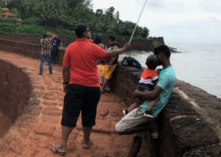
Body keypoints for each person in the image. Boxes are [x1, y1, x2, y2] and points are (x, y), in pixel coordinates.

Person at [52, 24, 130, 155]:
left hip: (75, 86)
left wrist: (65, 83)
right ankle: (86, 141)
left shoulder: (70, 47)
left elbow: (66, 68)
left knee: (69, 114)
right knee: (89, 114)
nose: (90, 32)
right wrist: (124, 49)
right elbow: (109, 54)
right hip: (93, 87)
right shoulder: (94, 47)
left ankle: (63, 146)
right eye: (88, 31)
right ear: (84, 33)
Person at [114, 45, 175, 157]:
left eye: (156, 56)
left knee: (119, 128)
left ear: (161, 56)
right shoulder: (164, 71)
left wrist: (137, 93)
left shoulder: (167, 74)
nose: (155, 59)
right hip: (148, 107)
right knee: (137, 138)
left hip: (146, 109)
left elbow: (153, 94)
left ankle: (150, 127)